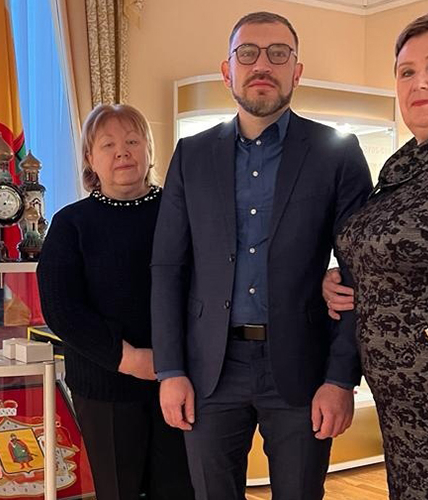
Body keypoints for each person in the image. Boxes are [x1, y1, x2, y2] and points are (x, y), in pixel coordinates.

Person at [151, 11, 373, 500]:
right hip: (210, 370)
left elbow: (360, 272)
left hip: (301, 368)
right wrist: (170, 370)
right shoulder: (191, 155)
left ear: (297, 70)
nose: (262, 65)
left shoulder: (337, 153)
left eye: (278, 54)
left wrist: (340, 378)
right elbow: (168, 268)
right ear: (227, 70)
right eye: (247, 53)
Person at [37, 104, 194, 500]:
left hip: (181, 379)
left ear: (149, 150)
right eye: (108, 144)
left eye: (132, 141)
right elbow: (61, 308)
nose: (122, 151)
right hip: (104, 386)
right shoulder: (70, 224)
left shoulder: (183, 213)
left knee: (181, 491)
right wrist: (129, 359)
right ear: (90, 158)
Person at [323, 14, 428, 500]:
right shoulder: (401, 165)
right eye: (407, 72)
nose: (419, 83)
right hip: (399, 400)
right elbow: (376, 249)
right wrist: (340, 278)